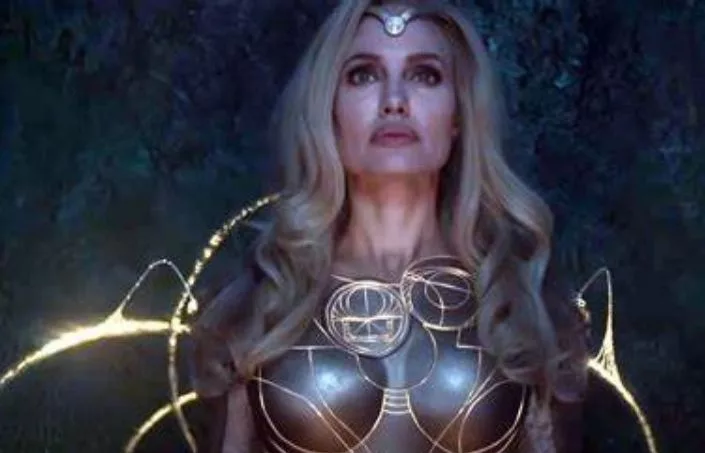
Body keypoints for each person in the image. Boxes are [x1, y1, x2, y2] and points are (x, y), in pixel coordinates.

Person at [190, 1, 590, 452]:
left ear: (459, 115)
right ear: (329, 109)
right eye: (363, 75)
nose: (394, 101)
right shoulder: (259, 304)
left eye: (425, 75)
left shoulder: (524, 304)